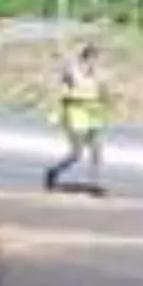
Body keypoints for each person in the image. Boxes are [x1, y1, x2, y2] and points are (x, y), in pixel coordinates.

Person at [44, 42, 108, 192]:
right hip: (75, 114)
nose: (94, 62)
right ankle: (54, 171)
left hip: (93, 114)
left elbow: (102, 92)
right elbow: (62, 92)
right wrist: (57, 111)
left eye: (96, 59)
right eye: (92, 58)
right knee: (76, 153)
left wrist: (104, 103)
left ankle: (95, 182)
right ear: (86, 57)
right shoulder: (73, 71)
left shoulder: (96, 74)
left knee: (97, 148)